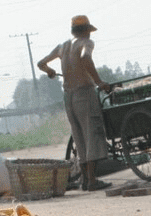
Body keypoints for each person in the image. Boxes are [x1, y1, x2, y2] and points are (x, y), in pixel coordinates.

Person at [37, 14, 113, 192]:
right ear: (86, 31)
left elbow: (41, 63)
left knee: (79, 137)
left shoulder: (63, 46)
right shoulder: (85, 43)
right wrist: (99, 82)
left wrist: (50, 71)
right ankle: (92, 180)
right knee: (91, 134)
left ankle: (86, 180)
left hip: (68, 96)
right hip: (84, 94)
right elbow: (86, 59)